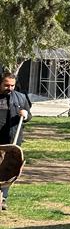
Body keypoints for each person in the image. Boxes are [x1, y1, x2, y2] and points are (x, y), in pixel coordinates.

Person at [0, 71, 31, 211]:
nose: (10, 88)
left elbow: (29, 115)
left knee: (8, 171)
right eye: (7, 85)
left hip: (12, 142)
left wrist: (26, 115)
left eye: (12, 85)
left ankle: (3, 198)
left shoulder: (20, 98)